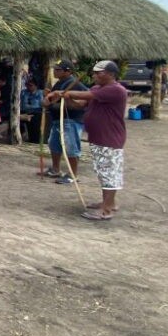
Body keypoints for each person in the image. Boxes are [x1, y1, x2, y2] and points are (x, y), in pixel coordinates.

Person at [47, 61, 128, 220]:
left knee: (109, 173)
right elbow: (79, 105)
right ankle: (108, 202)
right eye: (95, 73)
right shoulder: (97, 88)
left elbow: (86, 96)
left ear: (111, 75)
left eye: (99, 73)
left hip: (110, 138)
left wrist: (64, 93)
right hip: (99, 137)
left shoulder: (116, 90)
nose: (95, 75)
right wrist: (65, 97)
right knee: (103, 172)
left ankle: (107, 209)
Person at [43, 59, 89, 183]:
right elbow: (53, 100)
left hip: (71, 120)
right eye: (54, 69)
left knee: (71, 147)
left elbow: (86, 99)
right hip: (58, 119)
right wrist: (48, 101)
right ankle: (55, 169)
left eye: (58, 70)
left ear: (67, 71)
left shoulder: (74, 84)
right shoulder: (59, 83)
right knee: (54, 144)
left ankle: (72, 175)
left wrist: (70, 102)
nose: (54, 71)